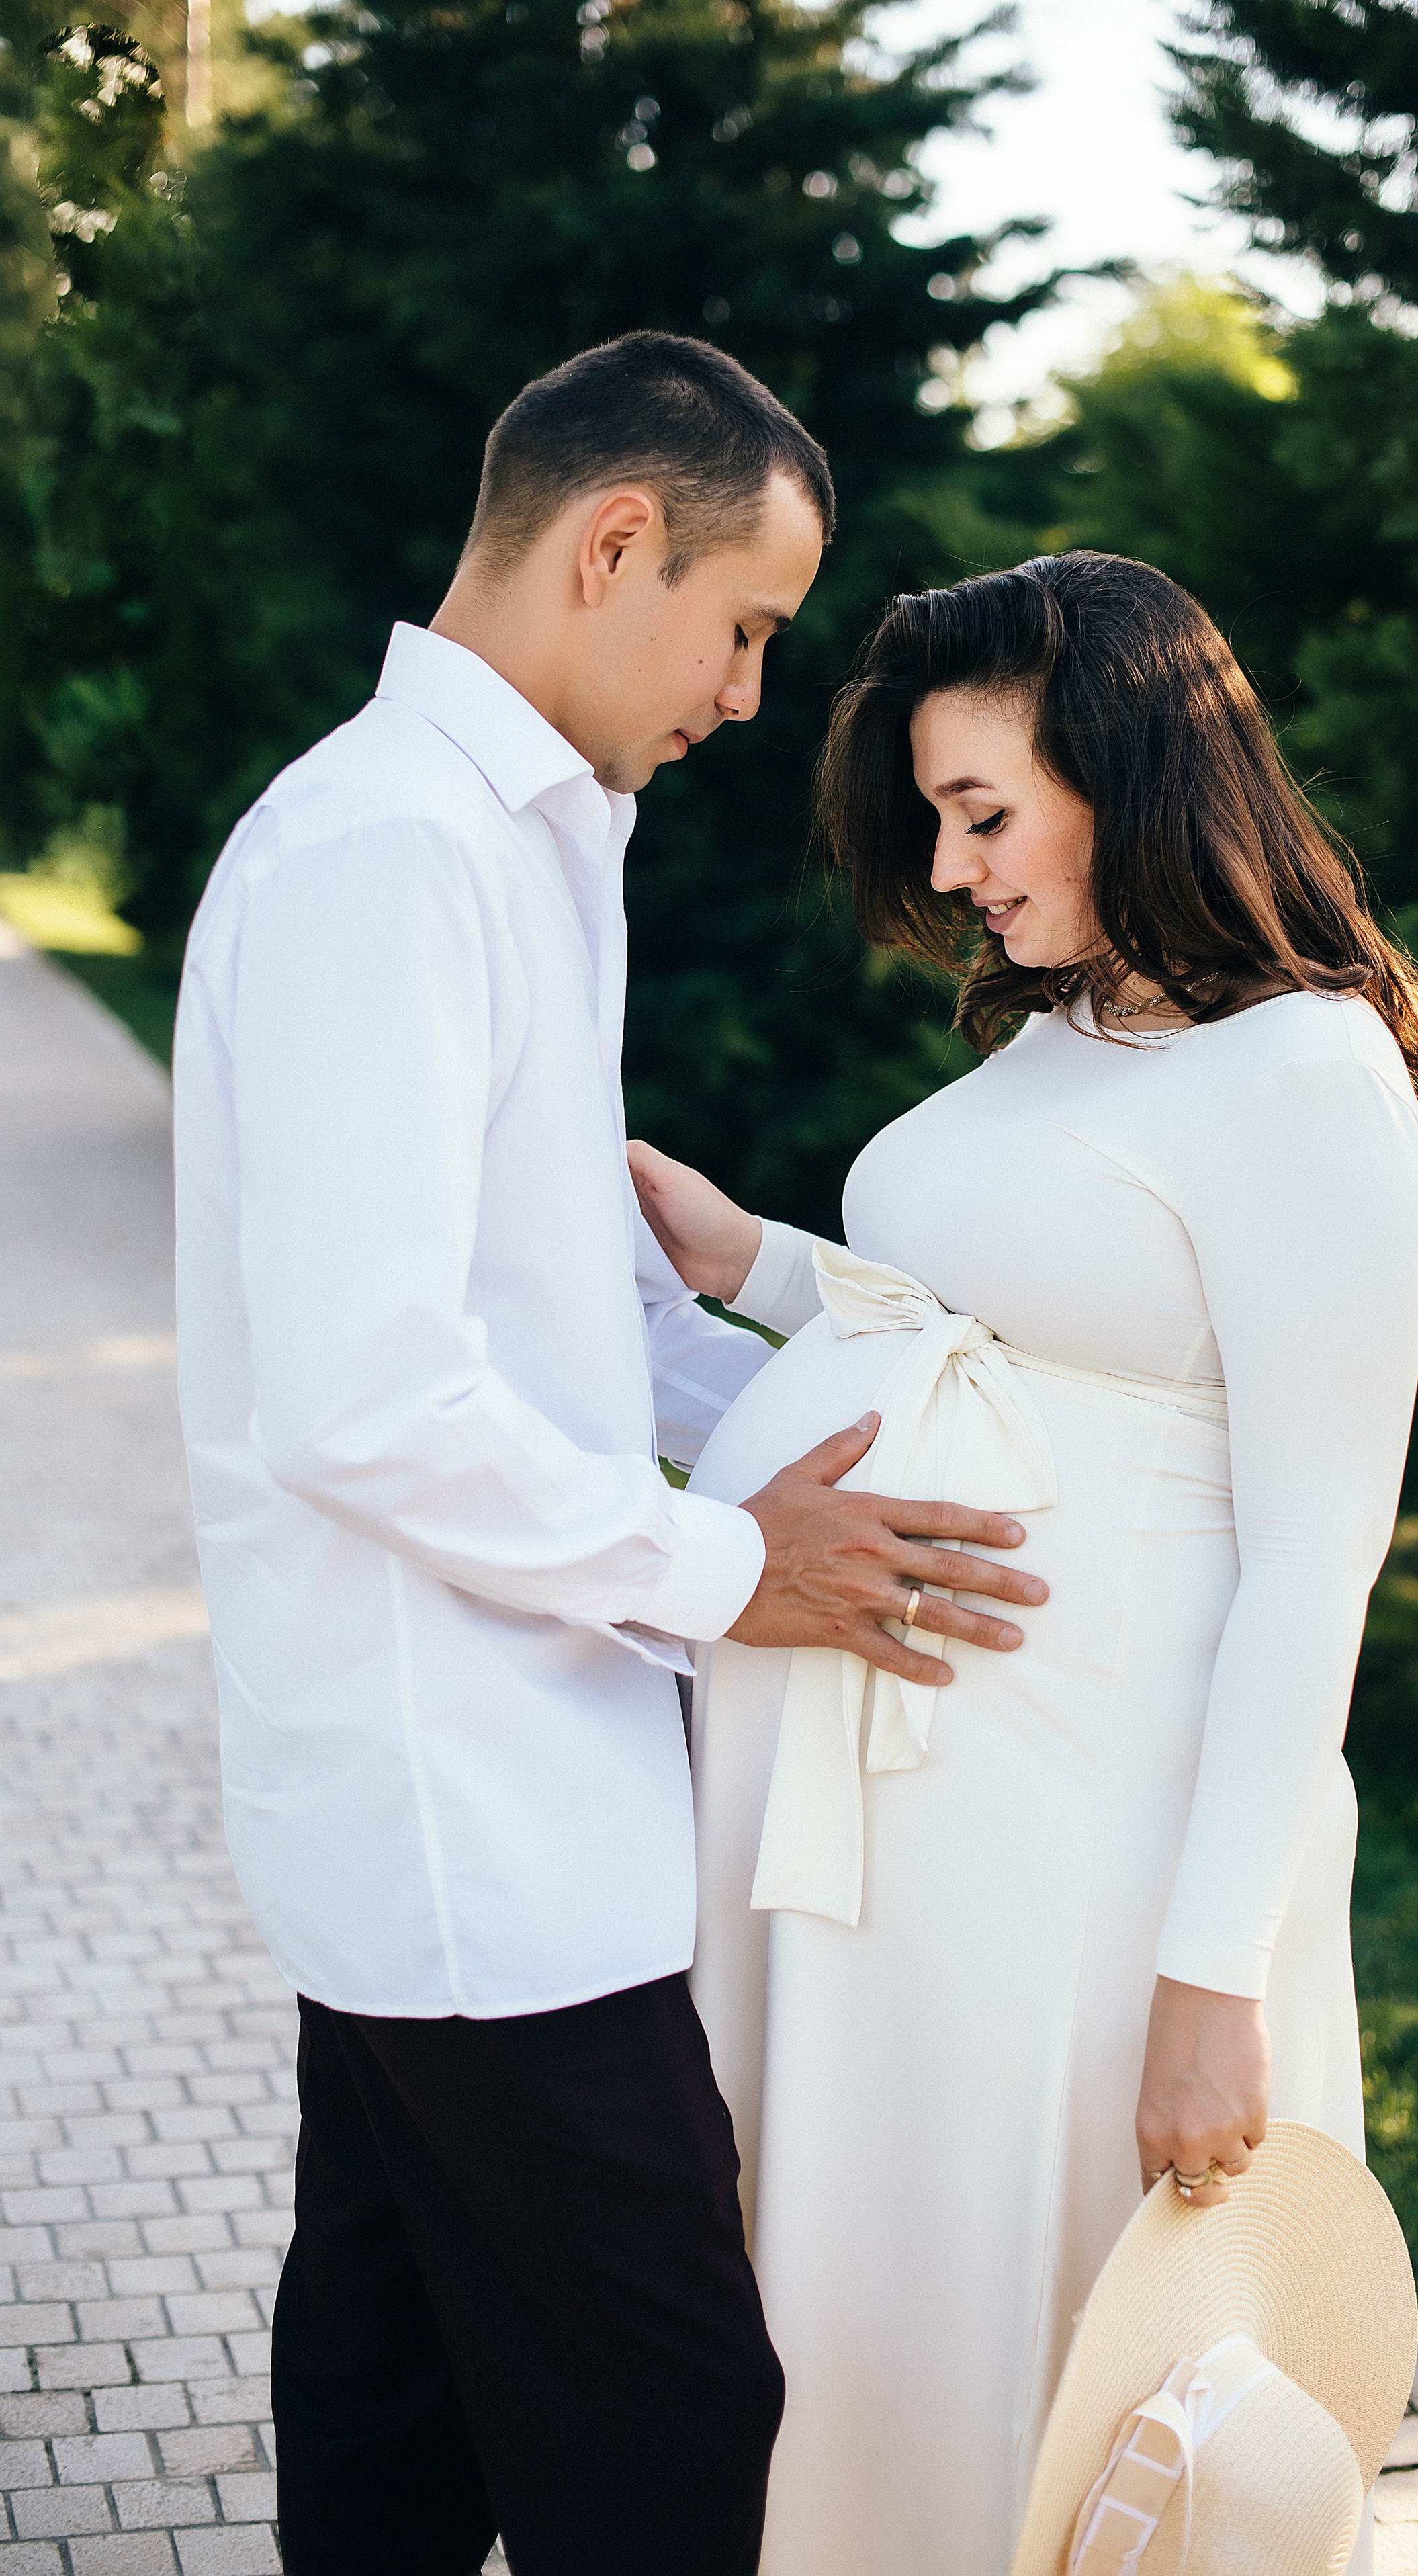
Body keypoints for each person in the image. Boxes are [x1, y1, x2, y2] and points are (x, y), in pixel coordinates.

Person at [171, 332, 1046, 2576]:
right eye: (743, 628)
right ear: (615, 539)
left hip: (486, 1799)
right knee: (669, 2413)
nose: (750, 695)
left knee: (395, 2394)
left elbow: (575, 1324)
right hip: (473, 1821)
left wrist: (875, 1458)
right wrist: (736, 1569)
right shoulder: (395, 851)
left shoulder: (526, 847)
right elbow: (369, 1397)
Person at [628, 550, 1418, 2576]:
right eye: (939, 815)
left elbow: (1316, 1563)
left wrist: (1213, 1983)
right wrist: (751, 1260)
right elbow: (990, 1326)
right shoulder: (1078, 1022)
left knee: (1050, 2357)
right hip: (913, 1860)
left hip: (1096, 1855)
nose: (952, 866)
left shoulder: (1308, 1075)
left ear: (1129, 769)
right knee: (873, 2318)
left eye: (983, 812)